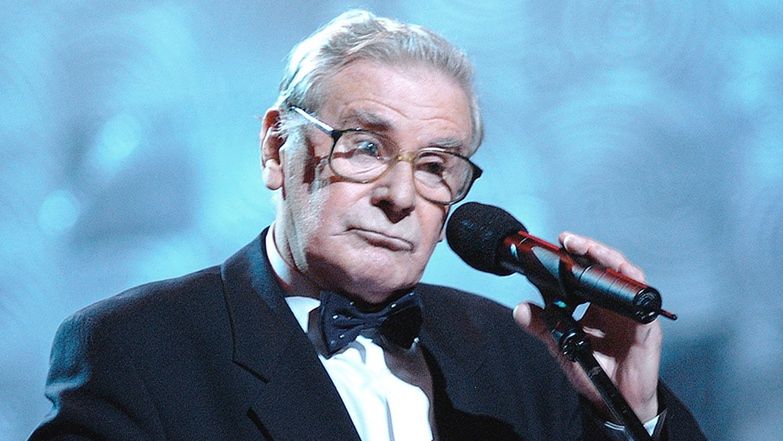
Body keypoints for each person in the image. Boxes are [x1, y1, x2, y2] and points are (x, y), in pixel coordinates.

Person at [29, 10, 707, 441]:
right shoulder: (136, 348)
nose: (400, 195)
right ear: (276, 150)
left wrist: (630, 412)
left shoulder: (518, 353)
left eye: (436, 165)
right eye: (365, 147)